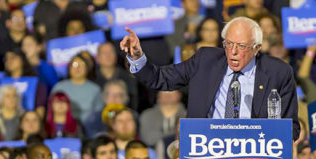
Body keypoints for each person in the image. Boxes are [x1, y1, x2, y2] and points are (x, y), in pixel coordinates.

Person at [121, 16, 299, 139]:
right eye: (228, 44)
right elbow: (160, 78)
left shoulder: (279, 72)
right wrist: (137, 57)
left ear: (257, 48)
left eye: (242, 46)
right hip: (208, 156)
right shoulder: (205, 60)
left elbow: (292, 128)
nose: (233, 52)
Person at [51, 53, 103, 126]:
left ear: (87, 68)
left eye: (81, 65)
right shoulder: (59, 87)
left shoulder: (95, 89)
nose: (78, 68)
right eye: (75, 64)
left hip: (89, 128)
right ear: (69, 68)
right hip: (64, 127)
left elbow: (98, 114)